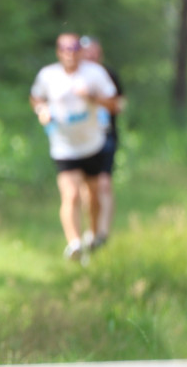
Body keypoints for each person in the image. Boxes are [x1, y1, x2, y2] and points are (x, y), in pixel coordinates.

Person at [29, 33, 118, 262]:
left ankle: (94, 235)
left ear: (80, 51)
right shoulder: (48, 75)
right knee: (70, 195)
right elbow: (36, 98)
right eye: (64, 49)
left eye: (74, 48)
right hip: (63, 146)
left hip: (92, 145)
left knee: (94, 196)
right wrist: (42, 111)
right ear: (58, 52)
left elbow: (114, 104)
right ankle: (74, 244)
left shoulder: (95, 74)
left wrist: (92, 97)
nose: (70, 53)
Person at [79, 36, 124, 249]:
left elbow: (119, 104)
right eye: (88, 53)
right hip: (79, 139)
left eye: (95, 53)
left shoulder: (109, 75)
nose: (92, 57)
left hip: (105, 135)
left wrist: (95, 99)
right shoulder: (71, 77)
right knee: (86, 189)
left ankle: (102, 235)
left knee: (104, 184)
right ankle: (91, 230)